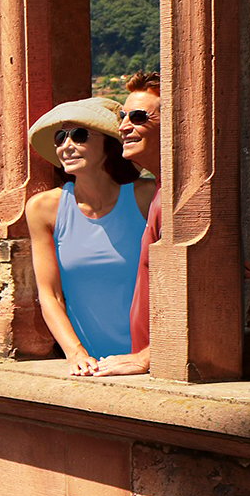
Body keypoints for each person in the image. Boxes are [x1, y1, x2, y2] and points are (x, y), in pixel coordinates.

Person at [26, 97, 154, 374]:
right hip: (91, 366)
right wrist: (75, 354)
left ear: (109, 144)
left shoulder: (147, 197)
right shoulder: (43, 209)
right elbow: (50, 294)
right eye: (60, 138)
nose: (66, 146)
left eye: (79, 136)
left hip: (147, 363)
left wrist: (149, 356)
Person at [91, 72, 161, 377]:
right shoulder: (161, 191)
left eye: (137, 116)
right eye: (122, 116)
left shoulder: (181, 199)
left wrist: (149, 356)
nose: (123, 126)